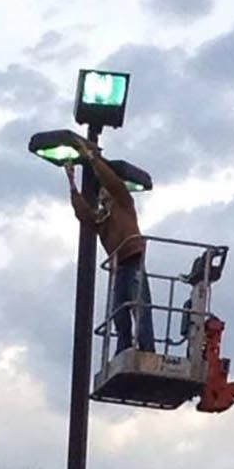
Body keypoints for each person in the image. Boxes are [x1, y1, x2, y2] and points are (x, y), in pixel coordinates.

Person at [68, 143, 155, 355]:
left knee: (139, 305)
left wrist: (93, 158)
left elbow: (113, 182)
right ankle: (123, 348)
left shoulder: (124, 202)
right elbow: (83, 214)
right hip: (120, 266)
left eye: (105, 191)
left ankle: (146, 348)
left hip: (133, 257)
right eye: (100, 193)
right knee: (120, 312)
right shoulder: (101, 219)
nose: (103, 194)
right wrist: (71, 182)